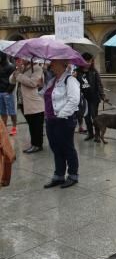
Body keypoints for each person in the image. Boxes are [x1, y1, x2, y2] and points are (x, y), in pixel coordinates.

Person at [41, 59, 80, 188]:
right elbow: (44, 95)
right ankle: (58, 176)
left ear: (63, 64)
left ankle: (73, 175)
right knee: (56, 148)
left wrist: (61, 114)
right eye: (51, 63)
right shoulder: (53, 80)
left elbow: (74, 100)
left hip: (64, 119)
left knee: (67, 148)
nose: (51, 65)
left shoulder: (70, 80)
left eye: (54, 62)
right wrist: (40, 85)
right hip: (50, 119)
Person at [9, 59, 45, 153]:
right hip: (23, 102)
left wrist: (19, 75)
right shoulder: (22, 69)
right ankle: (34, 144)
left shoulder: (37, 69)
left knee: (36, 125)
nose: (21, 59)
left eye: (23, 57)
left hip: (35, 102)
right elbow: (11, 81)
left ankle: (37, 145)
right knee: (31, 124)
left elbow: (33, 83)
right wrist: (17, 71)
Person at [80, 53, 105, 142]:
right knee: (86, 117)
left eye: (89, 61)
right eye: (85, 61)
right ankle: (90, 133)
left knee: (95, 117)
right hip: (84, 99)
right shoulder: (78, 72)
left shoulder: (94, 72)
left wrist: (103, 96)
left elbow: (99, 85)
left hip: (94, 98)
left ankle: (97, 135)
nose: (87, 63)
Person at [0, 51, 17, 136]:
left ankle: (14, 127)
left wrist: (9, 91)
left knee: (12, 111)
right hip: (0, 92)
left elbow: (13, 81)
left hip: (8, 92)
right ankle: (4, 127)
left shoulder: (10, 67)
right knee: (2, 112)